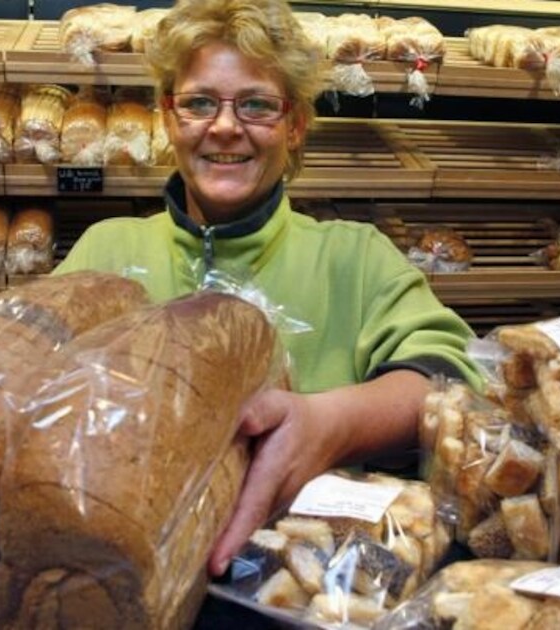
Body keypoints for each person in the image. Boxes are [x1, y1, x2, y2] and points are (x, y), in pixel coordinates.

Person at [54, 0, 481, 577]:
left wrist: (330, 425)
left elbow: (449, 379)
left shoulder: (351, 256)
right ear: (168, 117)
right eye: (200, 102)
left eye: (255, 104)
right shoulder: (108, 250)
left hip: (310, 586)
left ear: (295, 124)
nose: (225, 126)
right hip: (124, 575)